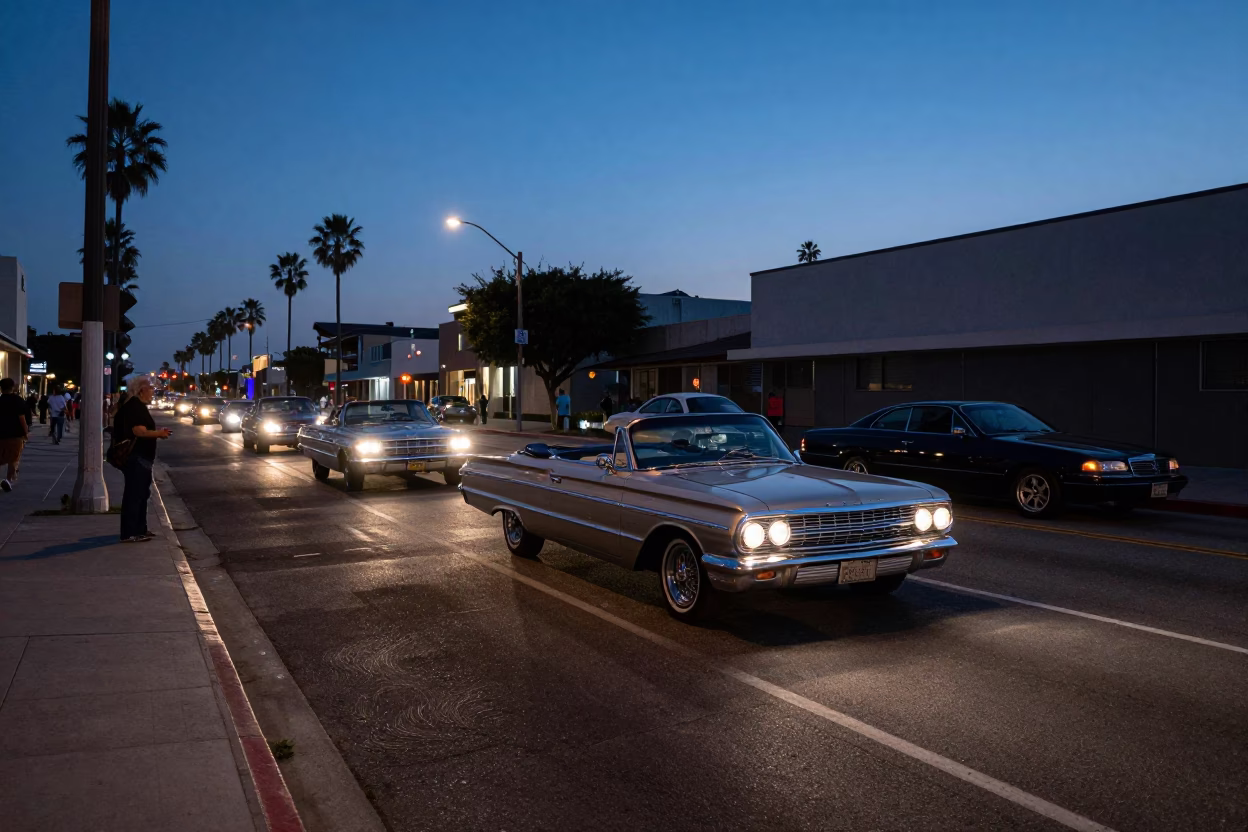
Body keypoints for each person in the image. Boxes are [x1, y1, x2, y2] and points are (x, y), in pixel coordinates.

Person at [113, 377, 172, 542]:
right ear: (141, 390)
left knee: (142, 494)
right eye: (151, 388)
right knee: (135, 494)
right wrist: (159, 434)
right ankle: (130, 532)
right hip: (136, 457)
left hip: (142, 458)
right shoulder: (134, 407)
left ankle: (140, 529)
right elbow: (139, 432)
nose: (153, 391)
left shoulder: (137, 406)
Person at [0, 378, 30, 492]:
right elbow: (21, 418)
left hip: (1, 434)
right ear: (13, 387)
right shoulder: (17, 400)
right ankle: (8, 480)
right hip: (15, 434)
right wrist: (26, 432)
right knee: (13, 458)